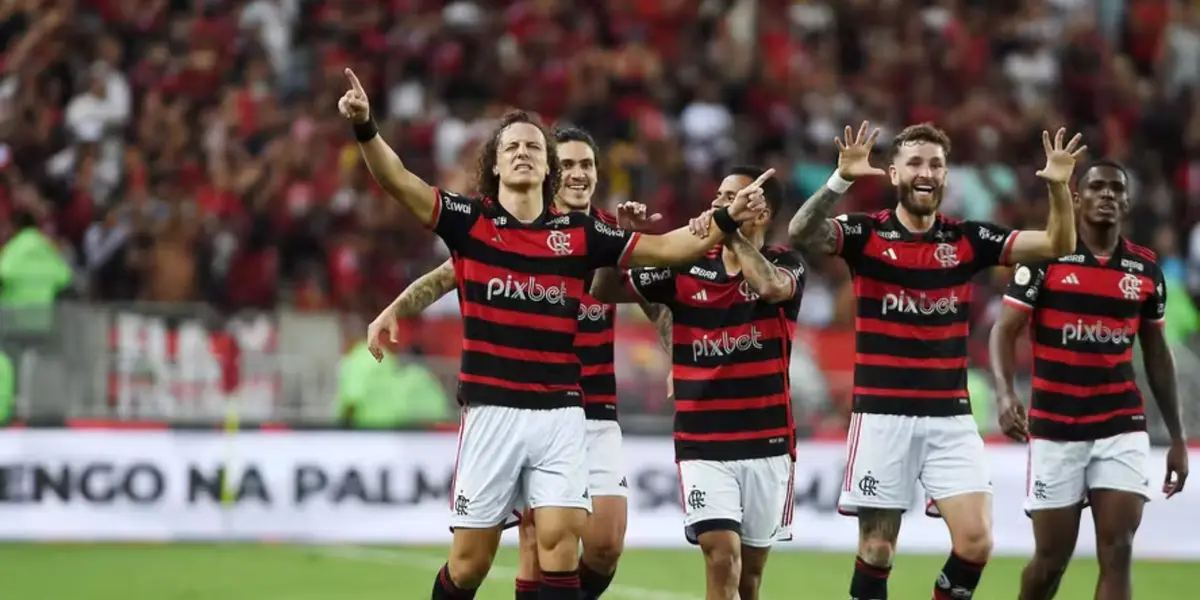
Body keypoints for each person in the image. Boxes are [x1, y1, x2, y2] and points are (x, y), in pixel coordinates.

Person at [336, 69, 766, 600]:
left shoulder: (582, 235)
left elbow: (671, 249)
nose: (523, 153)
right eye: (512, 146)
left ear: (548, 168)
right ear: (495, 162)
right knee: (469, 564)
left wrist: (724, 219)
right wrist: (365, 127)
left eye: (534, 147)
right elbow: (398, 181)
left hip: (562, 412)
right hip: (491, 411)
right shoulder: (470, 223)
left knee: (561, 549)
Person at [787, 122, 1083, 600]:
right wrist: (840, 179)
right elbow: (801, 232)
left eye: (936, 164)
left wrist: (1058, 186)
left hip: (950, 419)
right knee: (878, 549)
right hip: (882, 416)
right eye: (916, 163)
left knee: (976, 541)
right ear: (893, 172)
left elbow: (1058, 245)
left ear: (946, 176)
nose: (926, 172)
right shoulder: (866, 233)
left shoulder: (968, 238)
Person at [366, 126, 657, 600]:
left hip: (591, 405)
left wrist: (672, 347)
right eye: (571, 164)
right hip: (519, 400)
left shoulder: (599, 233)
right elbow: (449, 274)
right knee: (533, 541)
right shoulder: (510, 229)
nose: (580, 173)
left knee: (604, 544)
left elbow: (647, 291)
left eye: (589, 165)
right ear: (552, 171)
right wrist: (396, 307)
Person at [592, 166, 802, 600]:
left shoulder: (786, 263)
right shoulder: (683, 265)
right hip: (704, 442)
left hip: (768, 441)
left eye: (732, 198)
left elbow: (768, 287)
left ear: (759, 213)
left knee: (750, 578)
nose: (717, 204)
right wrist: (621, 247)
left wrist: (728, 234)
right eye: (718, 195)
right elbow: (605, 290)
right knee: (721, 555)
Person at [989, 159, 1189, 600]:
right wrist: (1004, 394)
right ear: (1077, 198)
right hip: (1055, 429)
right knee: (1049, 564)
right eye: (1097, 187)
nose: (1107, 196)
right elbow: (1004, 330)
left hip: (1121, 426)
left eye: (1117, 190)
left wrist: (1177, 436)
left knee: (1118, 549)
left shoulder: (1145, 270)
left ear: (1128, 202)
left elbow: (1157, 354)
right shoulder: (1044, 258)